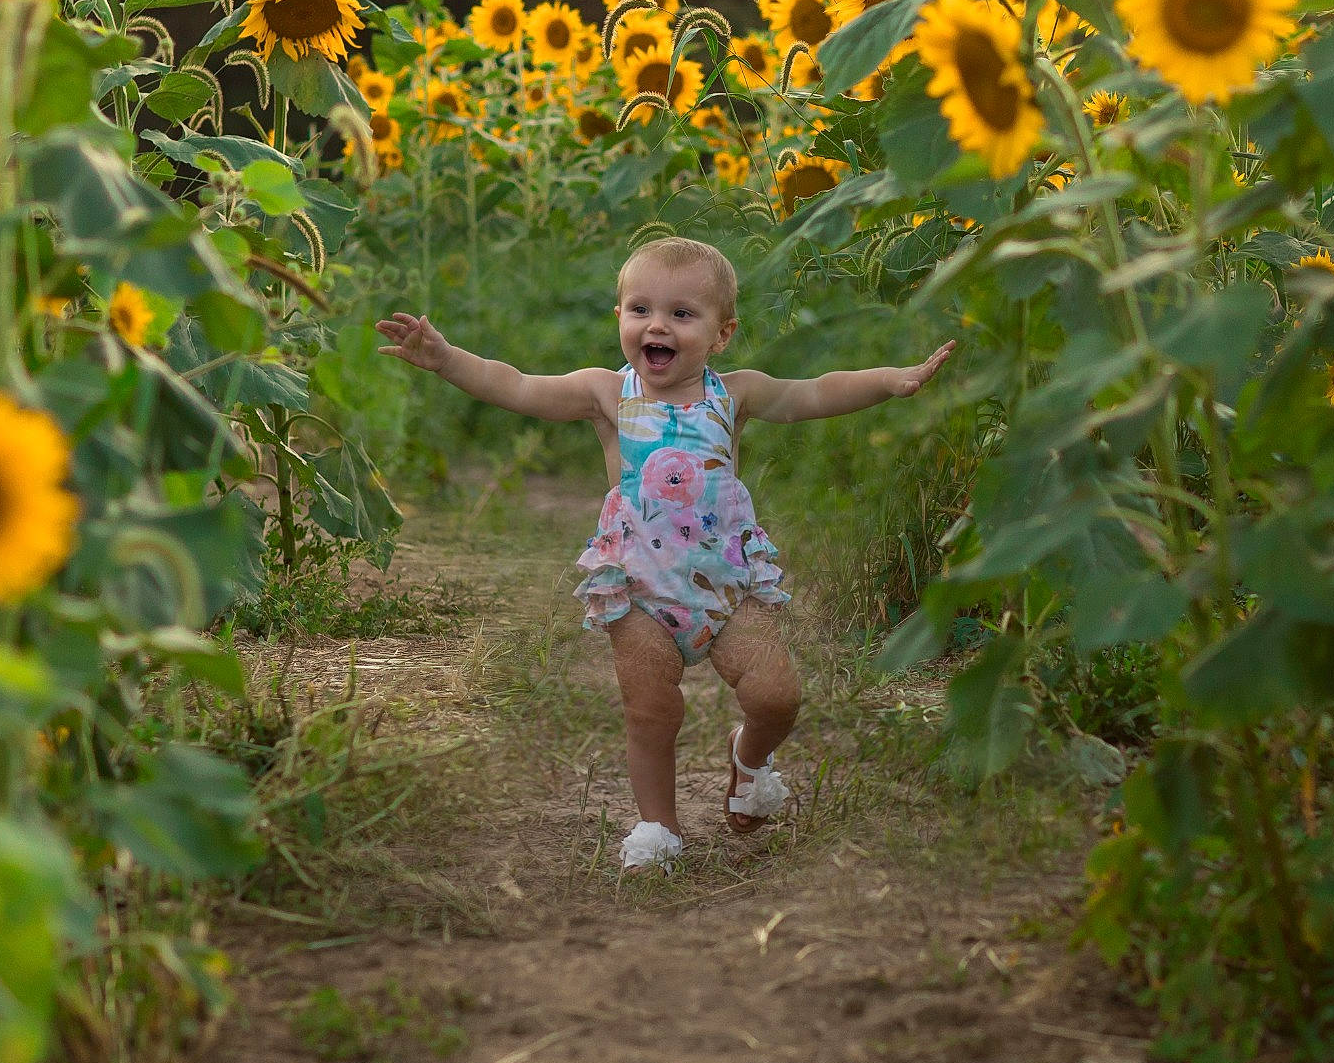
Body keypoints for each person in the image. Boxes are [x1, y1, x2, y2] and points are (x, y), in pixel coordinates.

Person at [375, 236, 954, 873]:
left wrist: (888, 382)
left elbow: (815, 391)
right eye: (640, 309)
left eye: (682, 314)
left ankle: (750, 759)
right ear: (620, 318)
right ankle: (658, 826)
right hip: (641, 591)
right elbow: (515, 385)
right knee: (652, 707)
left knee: (776, 697)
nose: (657, 324)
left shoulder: (733, 396)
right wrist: (446, 357)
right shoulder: (606, 393)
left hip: (727, 588)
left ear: (721, 333)